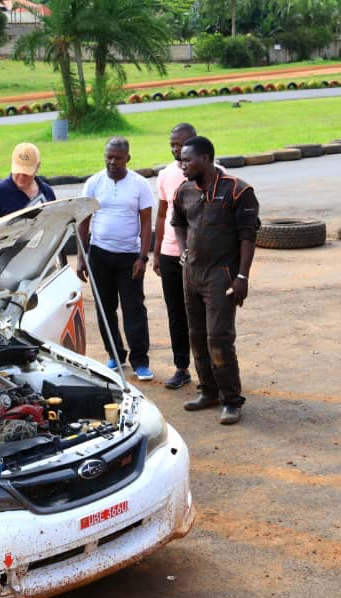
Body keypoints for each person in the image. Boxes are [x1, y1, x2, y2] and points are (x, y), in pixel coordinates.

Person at [171, 136, 259, 425]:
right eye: (181, 159)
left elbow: (248, 236)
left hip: (222, 276)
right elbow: (179, 223)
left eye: (187, 160)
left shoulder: (238, 191)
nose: (182, 164)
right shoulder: (184, 191)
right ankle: (207, 391)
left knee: (219, 338)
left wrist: (242, 276)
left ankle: (231, 400)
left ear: (205, 159)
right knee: (196, 336)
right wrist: (183, 251)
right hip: (192, 274)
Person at [76, 137, 155, 381]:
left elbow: (145, 222)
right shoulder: (93, 183)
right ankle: (115, 354)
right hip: (100, 254)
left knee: (133, 308)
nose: (112, 162)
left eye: (117, 158)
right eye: (108, 156)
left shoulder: (140, 185)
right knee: (105, 307)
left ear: (127, 159)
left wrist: (143, 257)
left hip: (129, 257)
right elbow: (83, 221)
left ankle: (140, 361)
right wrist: (82, 258)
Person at [153, 123, 197, 390]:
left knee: (202, 314)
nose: (175, 149)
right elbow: (161, 215)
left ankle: (211, 369)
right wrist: (157, 253)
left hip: (202, 256)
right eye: (172, 144)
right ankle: (182, 367)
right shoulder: (166, 175)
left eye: (180, 144)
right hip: (171, 254)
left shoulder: (215, 173)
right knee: (176, 313)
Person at [0, 143, 56, 225]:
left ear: (37, 166)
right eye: (18, 171)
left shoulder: (47, 192)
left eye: (26, 172)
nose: (21, 176)